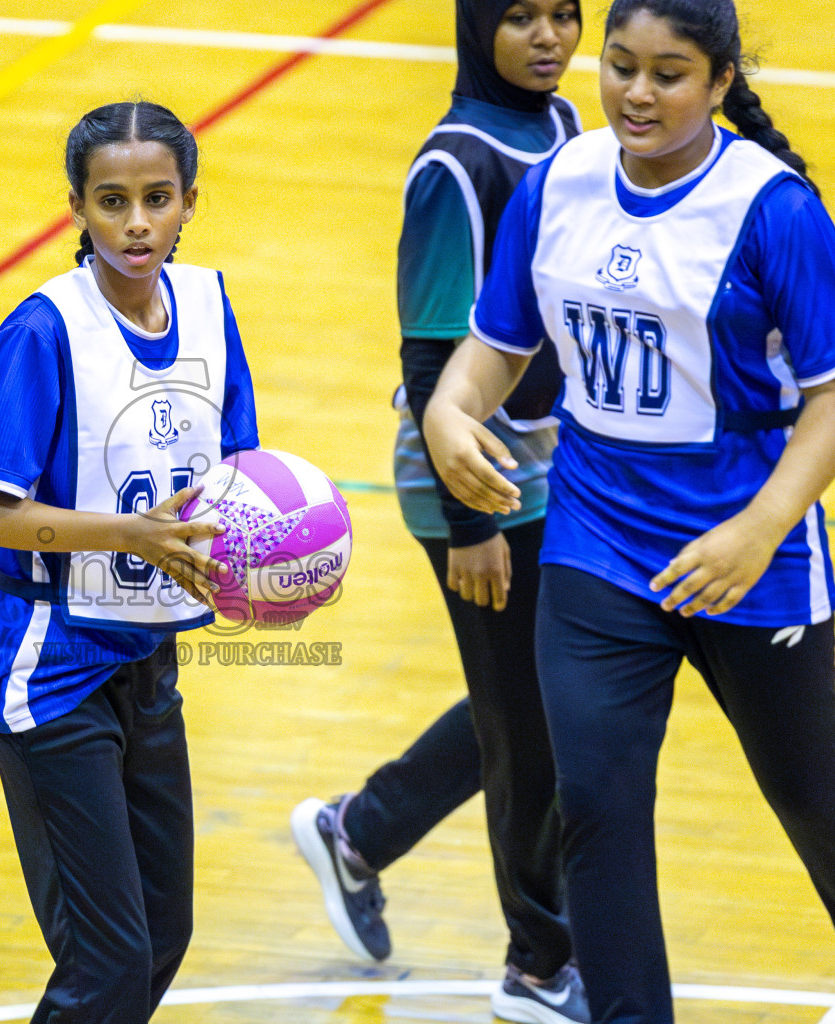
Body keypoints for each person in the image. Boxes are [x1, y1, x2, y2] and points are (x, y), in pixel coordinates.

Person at [423, 2, 835, 1021]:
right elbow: (498, 343)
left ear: (717, 81)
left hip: (747, 550)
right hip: (597, 541)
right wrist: (449, 406)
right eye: (620, 69)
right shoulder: (559, 184)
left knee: (808, 788)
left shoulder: (772, 209)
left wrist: (758, 531)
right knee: (600, 807)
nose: (637, 94)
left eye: (668, 74)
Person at [290, 3, 587, 1020]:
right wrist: (470, 524)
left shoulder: (560, 128)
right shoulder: (454, 163)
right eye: (521, 17)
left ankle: (359, 831)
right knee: (534, 721)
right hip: (473, 482)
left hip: (551, 462)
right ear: (476, 27)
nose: (548, 37)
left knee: (533, 698)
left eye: (564, 14)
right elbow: (429, 355)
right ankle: (539, 962)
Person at [0, 101, 259, 1023]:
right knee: (109, 961)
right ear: (75, 207)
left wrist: (272, 551)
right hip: (50, 667)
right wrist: (127, 536)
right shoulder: (44, 331)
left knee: (162, 934)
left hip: (147, 655)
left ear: (190, 201)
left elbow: (235, 469)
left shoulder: (206, 303)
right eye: (111, 201)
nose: (135, 224)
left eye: (156, 199)